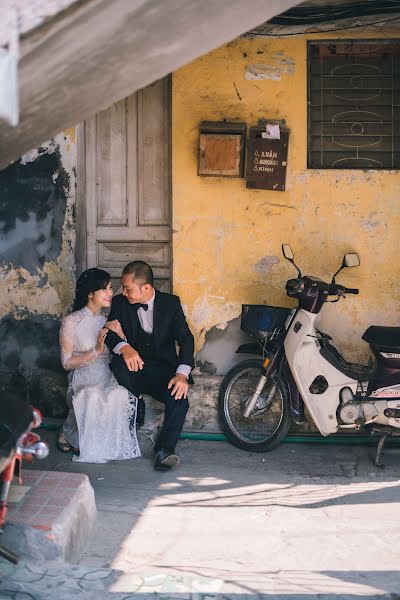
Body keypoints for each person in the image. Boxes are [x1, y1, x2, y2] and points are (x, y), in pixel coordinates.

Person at [105, 261, 194, 471]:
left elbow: (186, 339)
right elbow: (107, 333)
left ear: (146, 288)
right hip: (134, 369)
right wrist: (124, 347)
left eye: (128, 288)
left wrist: (182, 374)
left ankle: (165, 451)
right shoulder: (119, 303)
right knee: (119, 365)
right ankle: (136, 401)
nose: (123, 292)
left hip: (163, 369)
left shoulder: (171, 304)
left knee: (179, 399)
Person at [57, 268, 140, 463]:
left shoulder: (107, 322)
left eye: (110, 288)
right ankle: (68, 434)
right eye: (104, 289)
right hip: (81, 379)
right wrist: (96, 350)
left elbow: (121, 352)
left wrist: (121, 336)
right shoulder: (70, 322)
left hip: (106, 376)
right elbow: (66, 363)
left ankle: (100, 442)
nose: (110, 293)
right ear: (90, 293)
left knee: (119, 393)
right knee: (91, 395)